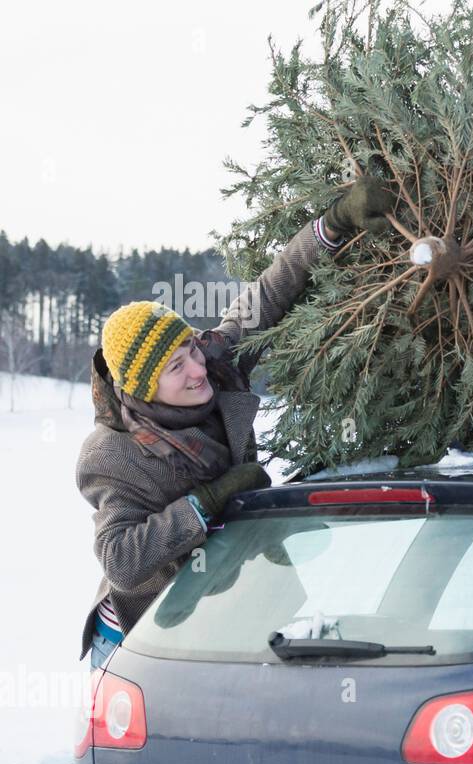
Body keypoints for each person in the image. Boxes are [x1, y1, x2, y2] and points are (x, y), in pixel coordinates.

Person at [76, 176, 396, 668]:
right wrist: (207, 502)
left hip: (219, 608)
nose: (198, 370)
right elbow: (121, 560)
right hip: (139, 639)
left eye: (190, 351)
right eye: (176, 368)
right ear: (141, 389)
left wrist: (333, 223)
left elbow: (269, 293)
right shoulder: (112, 454)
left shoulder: (217, 364)